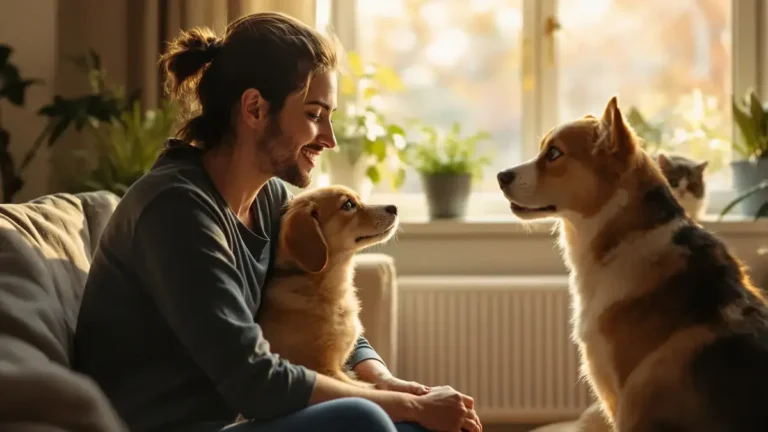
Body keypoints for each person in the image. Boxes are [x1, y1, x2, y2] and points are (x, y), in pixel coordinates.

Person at [72, 11, 481, 432]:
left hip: (233, 421)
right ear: (254, 108)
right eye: (313, 114)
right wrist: (401, 406)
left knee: (417, 424)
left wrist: (385, 380)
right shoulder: (176, 212)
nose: (329, 138)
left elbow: (319, 314)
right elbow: (256, 381)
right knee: (366, 419)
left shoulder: (270, 199)